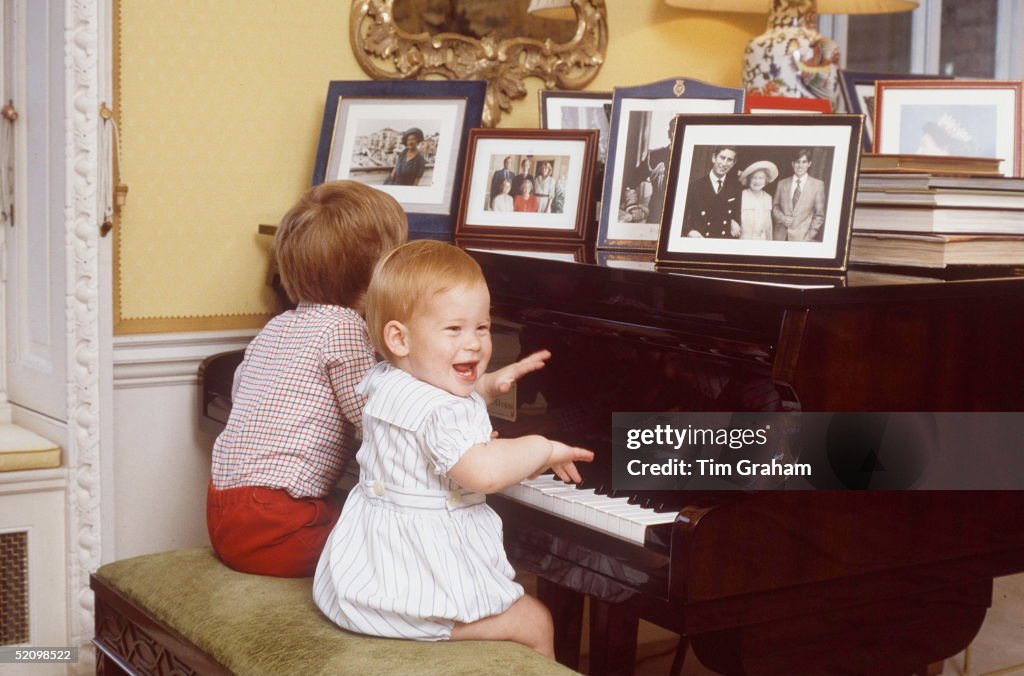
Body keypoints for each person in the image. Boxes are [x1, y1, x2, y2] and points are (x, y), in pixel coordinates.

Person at [208, 181, 548, 578]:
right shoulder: (345, 328)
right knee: (399, 550)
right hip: (278, 525)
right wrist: (461, 438)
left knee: (382, 525)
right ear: (376, 274)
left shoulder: (279, 325)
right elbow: (380, 416)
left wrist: (477, 395)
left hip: (224, 511)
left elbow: (244, 391)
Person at [312, 241, 593, 656]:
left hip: (370, 574)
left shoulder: (388, 378)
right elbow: (485, 473)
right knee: (536, 619)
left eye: (482, 327)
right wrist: (542, 448)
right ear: (400, 338)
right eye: (454, 329)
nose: (475, 343)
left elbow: (434, 395)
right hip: (416, 585)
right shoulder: (443, 411)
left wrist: (485, 384)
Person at [682, 146, 742, 239]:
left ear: (733, 163)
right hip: (701, 239)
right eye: (722, 158)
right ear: (714, 158)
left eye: (729, 160)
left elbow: (737, 213)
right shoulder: (695, 186)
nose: (724, 163)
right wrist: (689, 231)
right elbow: (681, 216)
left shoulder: (736, 187)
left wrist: (734, 221)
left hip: (723, 241)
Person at [772, 148, 826, 242]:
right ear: (793, 164)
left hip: (802, 238)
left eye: (804, 162)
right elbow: (775, 207)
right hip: (779, 237)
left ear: (809, 164)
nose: (800, 166)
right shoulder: (782, 183)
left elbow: (819, 215)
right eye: (797, 162)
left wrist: (810, 235)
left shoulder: (818, 185)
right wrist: (783, 218)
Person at [737, 160, 778, 241]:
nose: (757, 181)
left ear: (766, 180)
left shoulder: (768, 198)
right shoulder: (741, 195)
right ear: (749, 179)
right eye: (754, 178)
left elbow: (769, 226)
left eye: (761, 178)